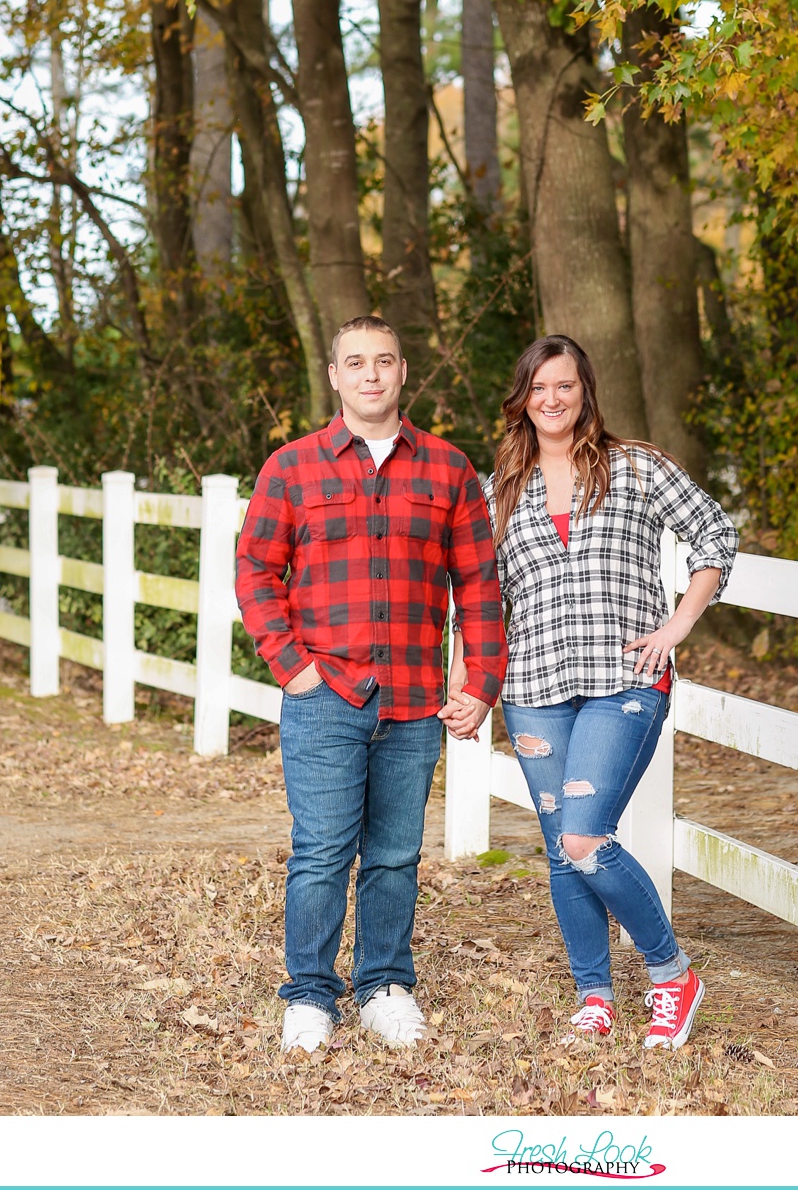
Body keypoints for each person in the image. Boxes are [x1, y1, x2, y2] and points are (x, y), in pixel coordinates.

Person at [456, 333, 736, 1050]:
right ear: (522, 399)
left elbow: (714, 534)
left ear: (585, 394)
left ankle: (672, 976)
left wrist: (677, 623)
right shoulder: (497, 493)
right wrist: (470, 680)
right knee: (560, 849)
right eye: (538, 387)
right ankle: (595, 995)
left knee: (585, 836)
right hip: (536, 688)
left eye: (566, 386)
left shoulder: (636, 468)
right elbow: (476, 598)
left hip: (626, 683)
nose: (552, 399)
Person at [236, 314, 506, 1056]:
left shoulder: (449, 470)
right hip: (326, 693)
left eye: (384, 361)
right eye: (356, 363)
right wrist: (292, 665)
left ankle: (385, 985)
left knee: (394, 853)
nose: (371, 375)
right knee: (321, 851)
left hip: (416, 699)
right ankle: (310, 994)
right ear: (334, 376)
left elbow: (479, 585)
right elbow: (257, 571)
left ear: (403, 371)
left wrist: (481, 681)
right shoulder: (291, 467)